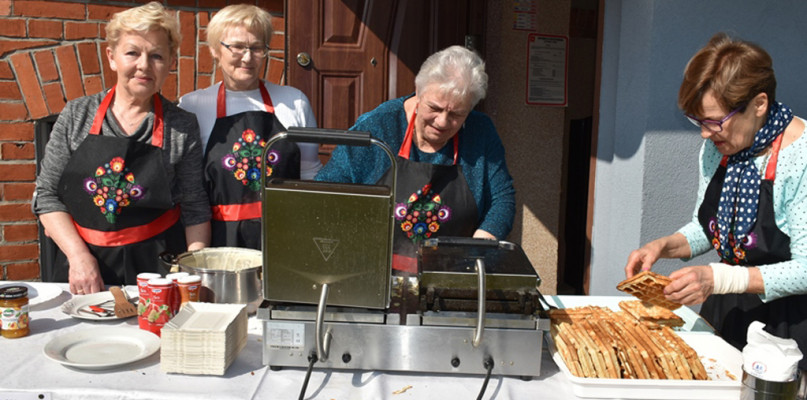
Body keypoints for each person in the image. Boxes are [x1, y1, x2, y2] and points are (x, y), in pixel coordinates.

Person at [624, 33, 807, 371]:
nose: (705, 134)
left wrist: (718, 279)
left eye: (714, 121)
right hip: (727, 313)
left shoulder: (801, 156)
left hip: (788, 331)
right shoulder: (719, 148)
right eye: (699, 121)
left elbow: (806, 269)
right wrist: (664, 246)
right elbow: (707, 228)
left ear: (760, 104)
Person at [33, 2, 211, 295]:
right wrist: (78, 258)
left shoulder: (181, 125)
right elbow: (47, 195)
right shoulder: (77, 115)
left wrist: (192, 274)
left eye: (156, 56)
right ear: (112, 57)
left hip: (158, 268)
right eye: (132, 53)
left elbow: (194, 206)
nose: (144, 65)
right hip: (83, 265)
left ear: (171, 63)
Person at [316, 45, 515, 273]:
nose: (442, 122)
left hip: (455, 271)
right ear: (418, 93)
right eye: (435, 108)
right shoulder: (377, 127)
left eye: (457, 114)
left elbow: (502, 198)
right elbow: (327, 192)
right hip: (374, 272)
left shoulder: (481, 131)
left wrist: (478, 248)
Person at [179, 4, 320, 249]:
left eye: (256, 48)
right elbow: (189, 192)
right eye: (237, 47)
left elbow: (309, 176)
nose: (247, 57)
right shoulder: (194, 106)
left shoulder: (294, 101)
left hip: (285, 238)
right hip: (220, 242)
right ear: (215, 49)